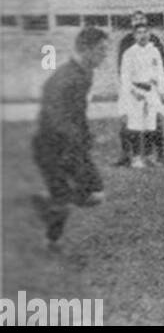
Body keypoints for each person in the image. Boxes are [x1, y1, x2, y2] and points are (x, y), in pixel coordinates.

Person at [31, 27, 111, 251]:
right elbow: (56, 117)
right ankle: (51, 240)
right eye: (102, 50)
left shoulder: (85, 72)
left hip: (70, 145)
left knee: (94, 195)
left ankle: (52, 200)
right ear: (86, 49)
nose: (105, 55)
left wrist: (86, 137)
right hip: (51, 146)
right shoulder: (67, 78)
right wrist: (76, 140)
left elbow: (77, 113)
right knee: (69, 201)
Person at [113, 11, 164, 166]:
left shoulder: (154, 50)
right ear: (134, 34)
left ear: (149, 32)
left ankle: (152, 156)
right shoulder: (128, 52)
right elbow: (125, 75)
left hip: (151, 90)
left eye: (145, 32)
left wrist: (163, 91)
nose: (142, 35)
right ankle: (135, 157)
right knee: (134, 124)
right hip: (135, 91)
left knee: (151, 124)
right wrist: (132, 92)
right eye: (139, 33)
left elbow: (160, 71)